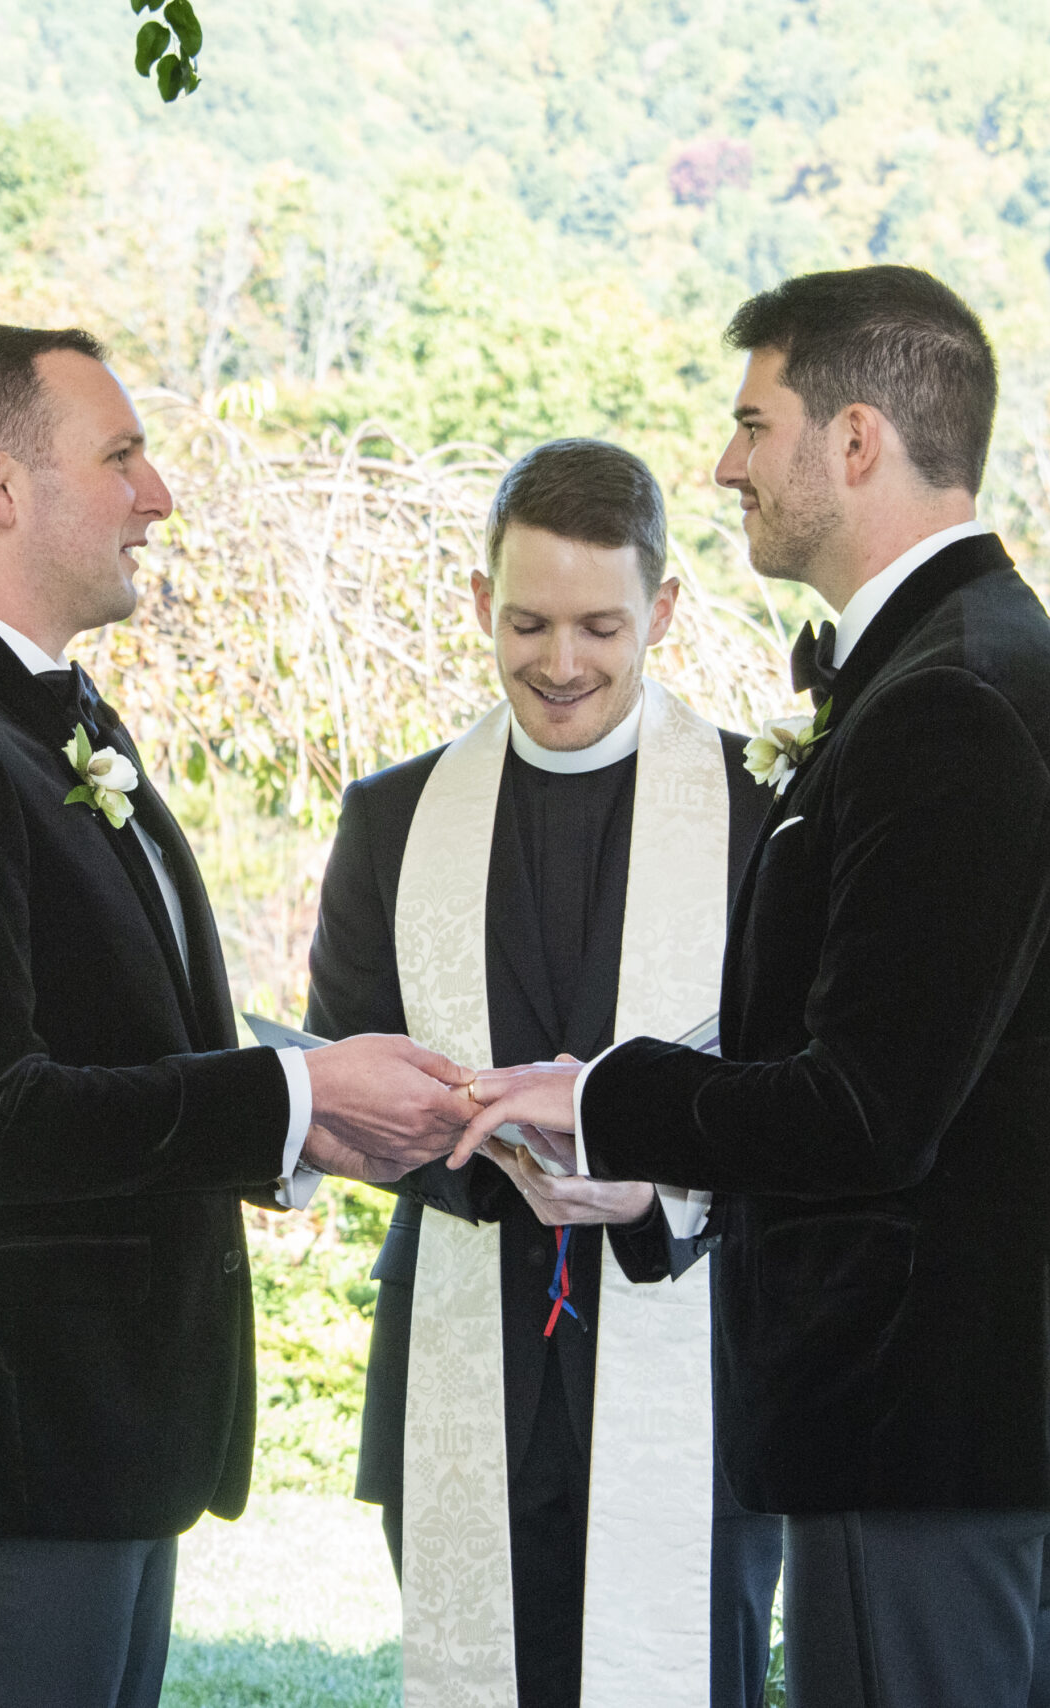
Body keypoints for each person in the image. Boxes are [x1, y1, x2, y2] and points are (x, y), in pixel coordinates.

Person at [458, 269, 1050, 1708]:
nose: (724, 463)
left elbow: (866, 1109)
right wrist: (654, 1163)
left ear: (854, 443)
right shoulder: (948, 671)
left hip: (930, 1411)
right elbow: (899, 1066)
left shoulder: (954, 703)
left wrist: (605, 1100)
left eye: (752, 423)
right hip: (955, 1409)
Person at [0, 323, 475, 1708]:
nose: (157, 493)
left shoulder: (42, 720)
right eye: (120, 457)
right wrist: (296, 1095)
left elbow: (116, 1052)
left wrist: (312, 1119)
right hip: (10, 1447)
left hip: (98, 1444)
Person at [306, 438, 783, 1708]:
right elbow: (339, 1082)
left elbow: (811, 1102)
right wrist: (477, 1145)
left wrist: (659, 1187)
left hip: (697, 1375)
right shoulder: (391, 820)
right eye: (525, 622)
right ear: (478, 604)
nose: (559, 663)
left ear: (663, 611)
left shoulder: (762, 813)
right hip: (462, 1365)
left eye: (598, 625)